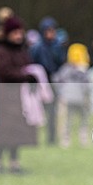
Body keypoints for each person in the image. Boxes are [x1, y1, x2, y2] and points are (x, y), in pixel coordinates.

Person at [0, 16, 38, 174]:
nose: (18, 36)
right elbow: (5, 72)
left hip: (20, 98)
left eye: (20, 32)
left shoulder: (21, 51)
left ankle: (14, 163)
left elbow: (27, 67)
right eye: (15, 33)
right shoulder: (1, 52)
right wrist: (25, 76)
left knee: (17, 130)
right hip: (5, 97)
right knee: (4, 130)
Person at [30, 16, 66, 145]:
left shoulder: (57, 47)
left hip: (52, 83)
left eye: (53, 30)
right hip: (39, 83)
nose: (51, 33)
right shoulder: (37, 48)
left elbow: (60, 63)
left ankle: (51, 139)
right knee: (34, 111)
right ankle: (33, 138)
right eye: (48, 30)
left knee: (52, 112)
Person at [53, 43, 91, 148]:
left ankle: (65, 141)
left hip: (66, 98)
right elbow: (87, 85)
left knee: (67, 121)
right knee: (83, 120)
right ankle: (83, 140)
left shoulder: (65, 69)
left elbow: (57, 80)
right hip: (80, 98)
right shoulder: (84, 69)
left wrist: (60, 93)